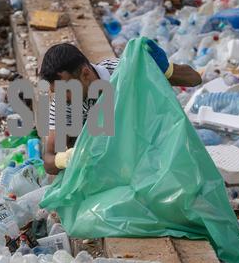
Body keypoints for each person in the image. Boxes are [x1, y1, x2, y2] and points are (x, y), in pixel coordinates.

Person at [40, 39, 201, 174]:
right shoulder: (64, 104)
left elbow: (194, 79)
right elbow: (49, 160)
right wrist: (66, 158)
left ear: (86, 73)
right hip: (105, 172)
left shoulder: (124, 72)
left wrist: (165, 71)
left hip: (151, 157)